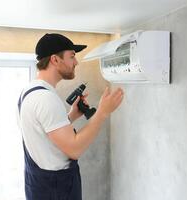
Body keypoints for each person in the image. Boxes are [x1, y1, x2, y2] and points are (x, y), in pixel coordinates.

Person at [16, 33, 124, 200]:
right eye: (72, 56)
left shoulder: (29, 92)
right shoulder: (45, 99)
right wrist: (103, 112)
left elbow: (45, 133)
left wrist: (72, 116)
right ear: (55, 59)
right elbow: (74, 149)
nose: (76, 62)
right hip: (56, 189)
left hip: (40, 185)